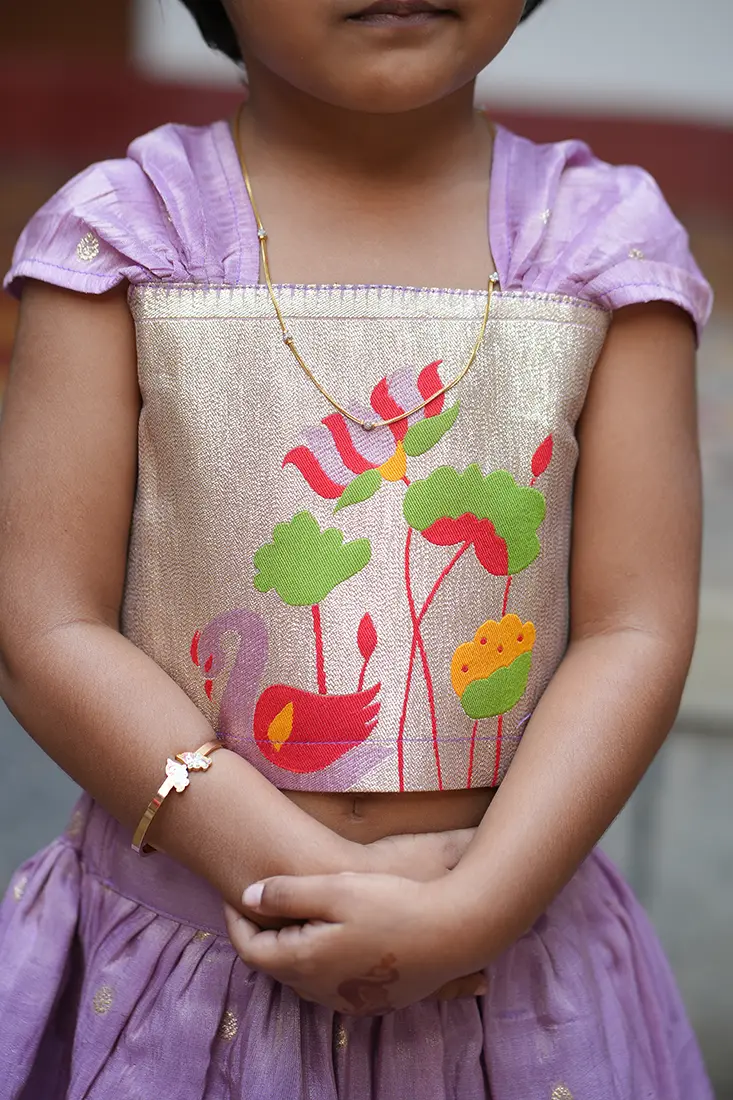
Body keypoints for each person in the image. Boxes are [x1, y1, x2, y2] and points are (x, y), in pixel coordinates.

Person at [0, 0, 715, 1097]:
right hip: (185, 967)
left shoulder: (602, 244)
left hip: (506, 965)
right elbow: (43, 620)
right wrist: (298, 878)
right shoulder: (126, 234)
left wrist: (475, 907)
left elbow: (635, 624)